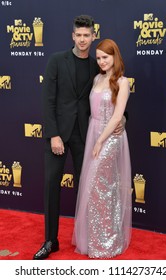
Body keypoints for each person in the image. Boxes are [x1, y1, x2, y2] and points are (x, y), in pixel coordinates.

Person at [33, 15, 125, 260]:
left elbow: (114, 94)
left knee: (88, 189)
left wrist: (123, 117)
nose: (83, 39)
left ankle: (89, 238)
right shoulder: (56, 61)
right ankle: (50, 240)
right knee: (52, 186)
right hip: (58, 135)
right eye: (79, 35)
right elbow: (48, 100)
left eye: (87, 35)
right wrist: (53, 133)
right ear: (73, 36)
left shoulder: (98, 66)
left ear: (93, 36)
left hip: (86, 137)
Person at [72, 39, 132, 259]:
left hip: (111, 138)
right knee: (95, 190)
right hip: (93, 132)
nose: (101, 61)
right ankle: (95, 241)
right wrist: (94, 138)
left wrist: (100, 141)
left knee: (104, 188)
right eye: (98, 58)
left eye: (105, 57)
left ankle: (108, 243)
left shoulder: (123, 82)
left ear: (115, 56)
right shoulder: (97, 78)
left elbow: (118, 116)